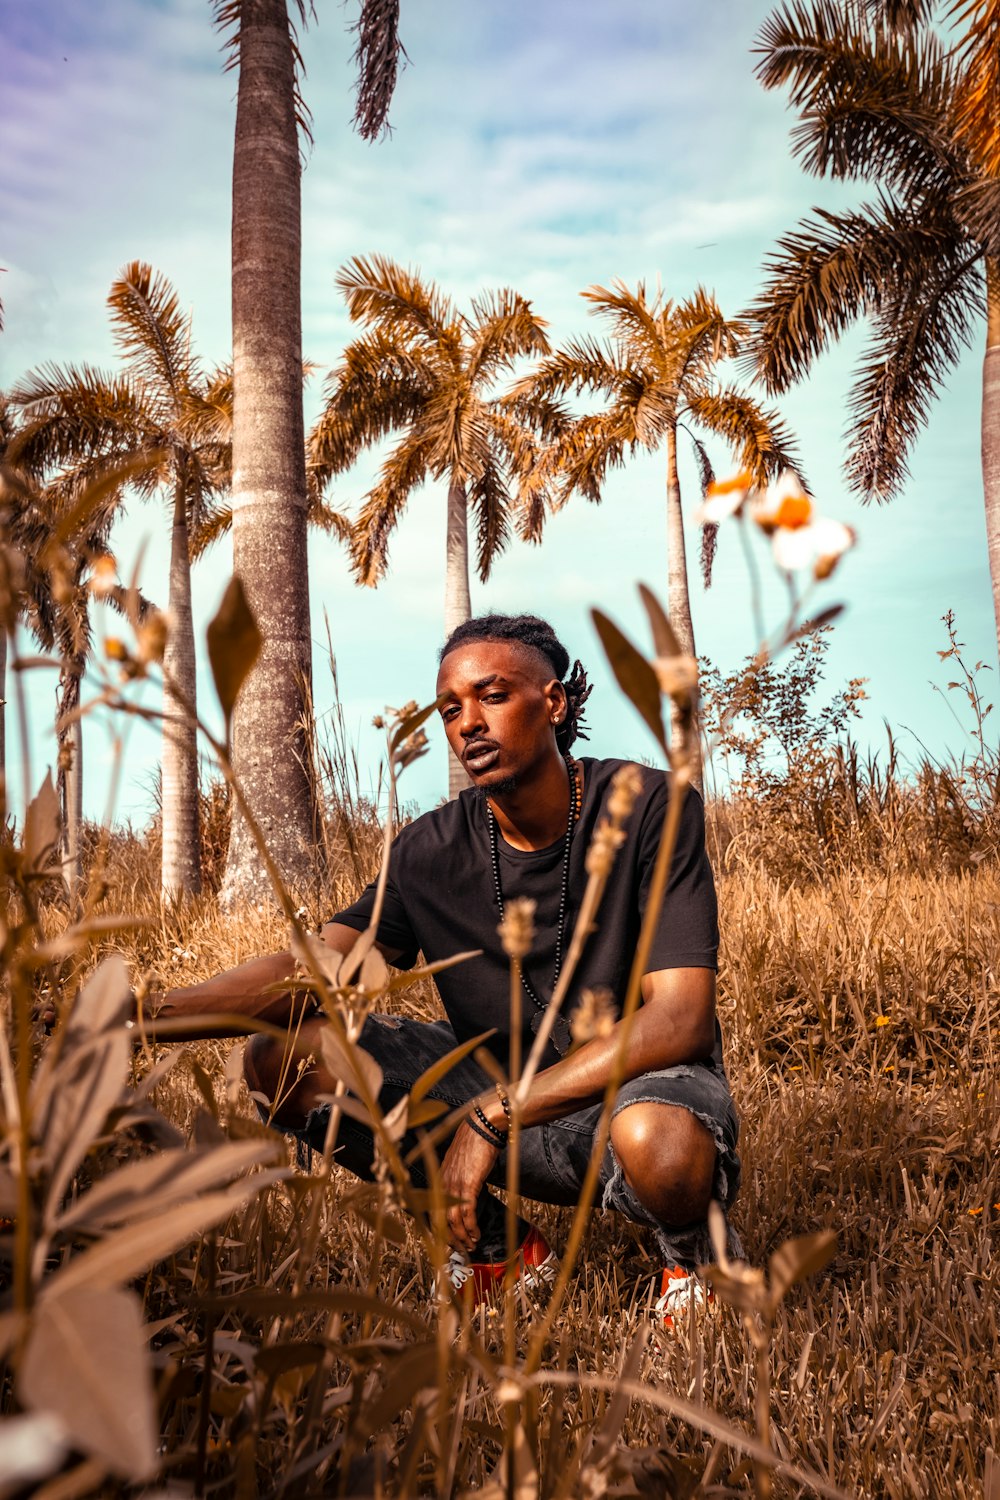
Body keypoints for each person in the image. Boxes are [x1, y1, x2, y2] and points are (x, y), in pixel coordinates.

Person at [154, 613, 740, 1318]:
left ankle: (697, 1267)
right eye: (451, 709)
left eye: (492, 696)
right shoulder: (426, 852)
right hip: (495, 1086)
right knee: (288, 1058)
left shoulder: (647, 807)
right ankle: (500, 1254)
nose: (468, 724)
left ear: (553, 703)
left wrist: (494, 1118)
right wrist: (145, 1016)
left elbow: (679, 1020)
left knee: (661, 1144)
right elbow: (315, 971)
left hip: (632, 1096)